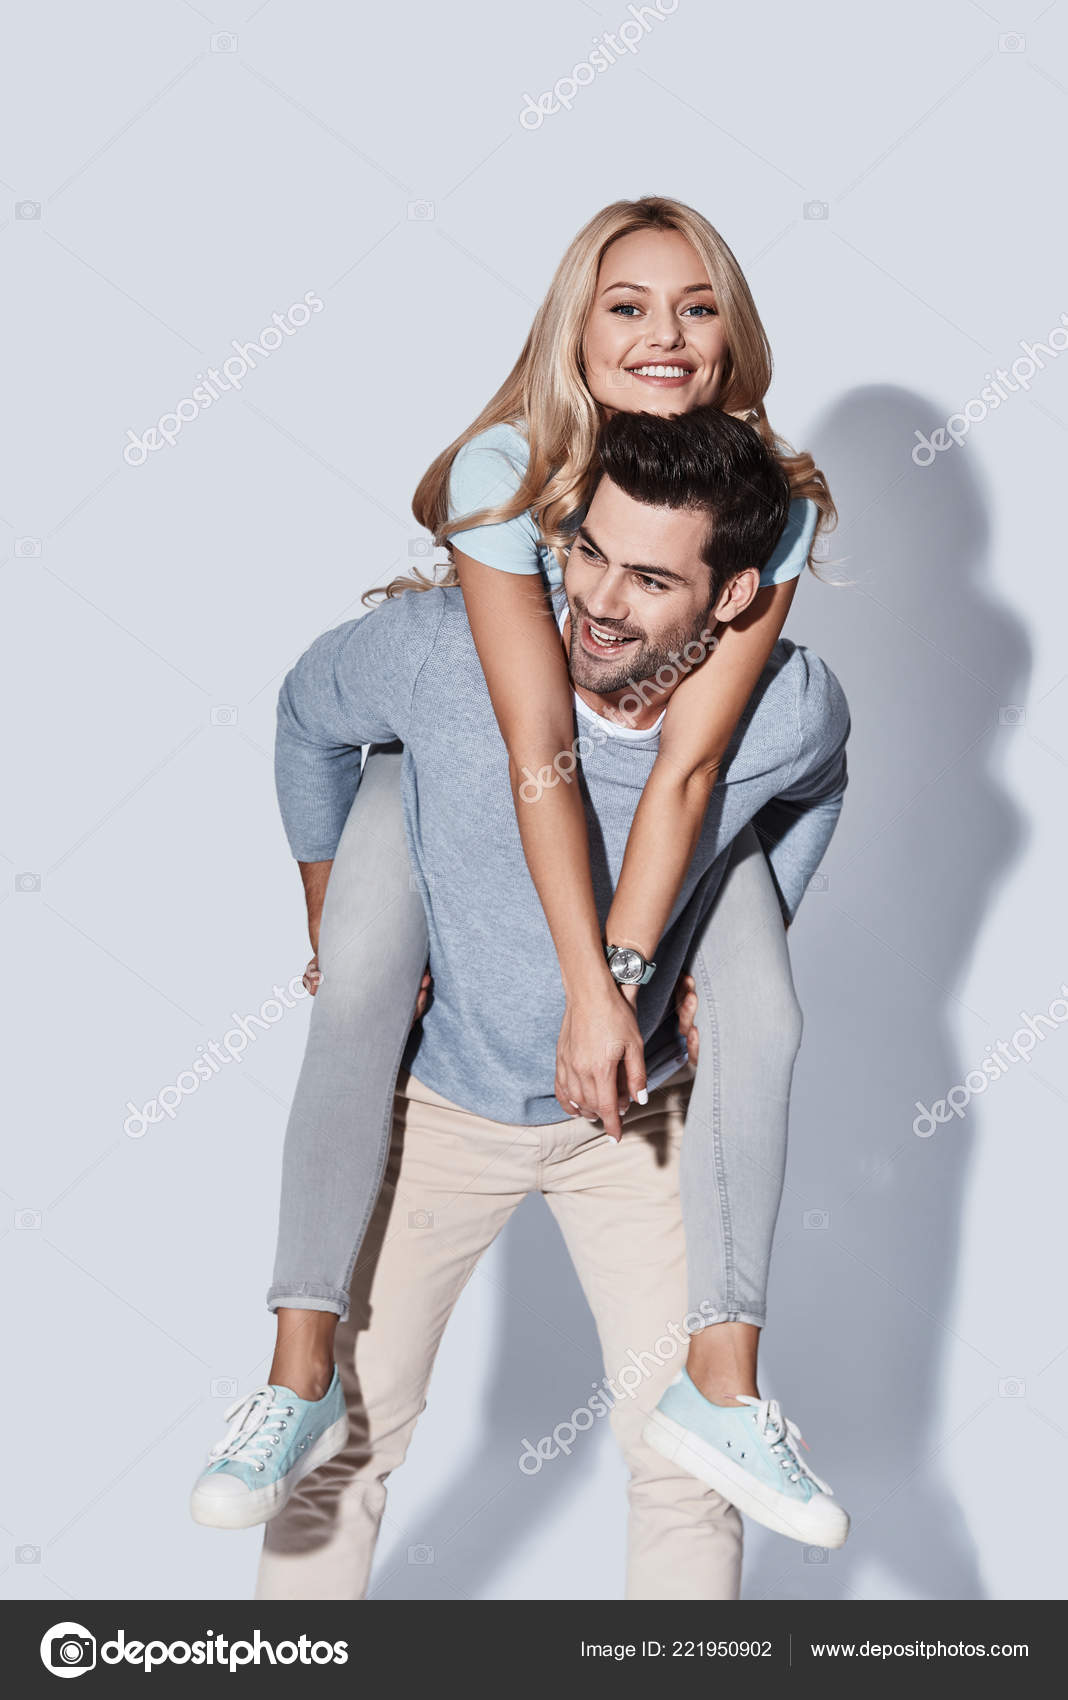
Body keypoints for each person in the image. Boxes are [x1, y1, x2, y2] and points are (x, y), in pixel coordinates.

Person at [191, 406, 852, 1595]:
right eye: (588, 550)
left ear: (736, 596)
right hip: (436, 1102)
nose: (599, 598)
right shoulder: (441, 649)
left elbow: (817, 785)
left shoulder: (784, 709)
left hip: (637, 1125)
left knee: (691, 1462)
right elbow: (304, 715)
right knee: (339, 1450)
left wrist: (732, 942)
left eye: (651, 577)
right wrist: (328, 899)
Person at [254, 197, 840, 1454]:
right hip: (465, 757)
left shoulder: (771, 506)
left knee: (766, 1007)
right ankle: (297, 1366)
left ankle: (725, 1391)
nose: (665, 335)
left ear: (733, 331)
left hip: (645, 774)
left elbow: (692, 764)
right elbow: (538, 748)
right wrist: (583, 981)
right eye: (627, 306)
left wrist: (643, 972)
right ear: (576, 331)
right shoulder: (505, 473)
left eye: (697, 307)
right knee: (358, 972)